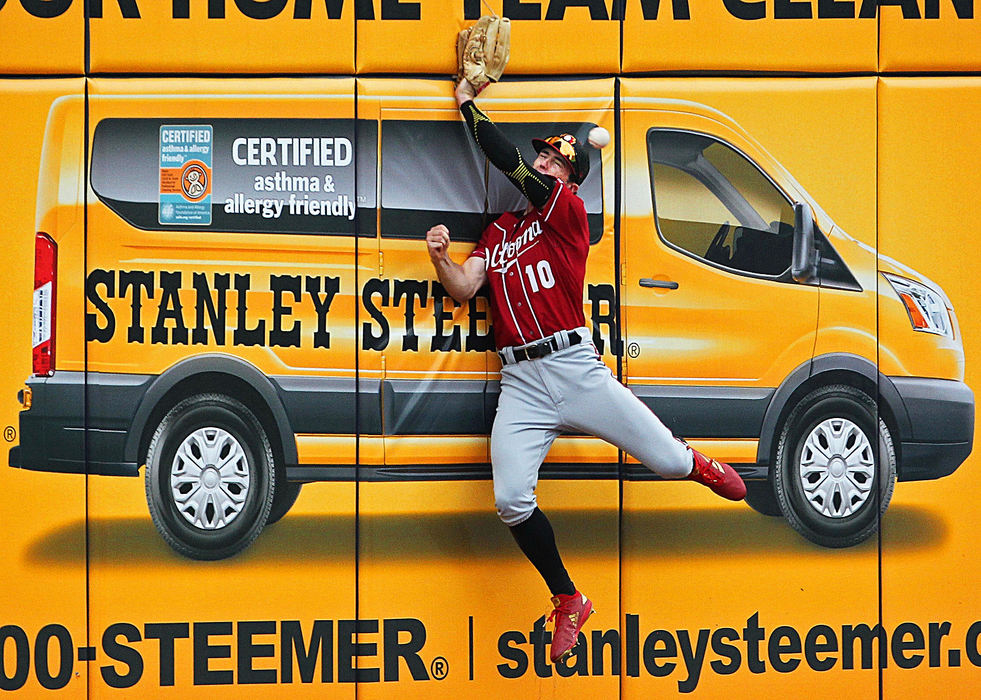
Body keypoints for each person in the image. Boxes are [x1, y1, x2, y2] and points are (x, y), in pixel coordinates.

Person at [425, 78, 747, 665]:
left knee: (669, 462)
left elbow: (509, 162)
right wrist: (442, 259)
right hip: (520, 381)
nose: (545, 163)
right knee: (510, 501)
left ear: (570, 181)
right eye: (543, 154)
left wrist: (467, 105)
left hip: (574, 366)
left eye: (556, 161)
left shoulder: (567, 213)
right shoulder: (500, 230)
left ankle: (697, 461)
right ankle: (568, 598)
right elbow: (466, 289)